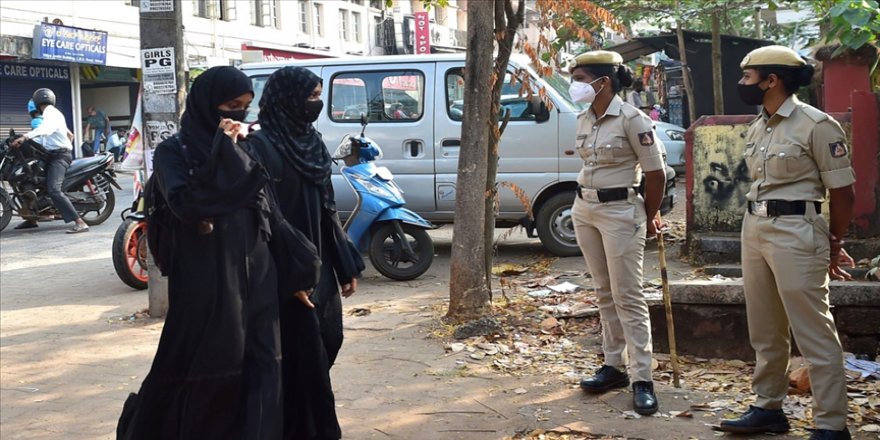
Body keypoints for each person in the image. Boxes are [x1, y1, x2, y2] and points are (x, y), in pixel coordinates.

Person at [116, 66, 283, 440]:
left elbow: (270, 210)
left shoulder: (249, 145)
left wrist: (300, 268)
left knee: (262, 367)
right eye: (231, 105)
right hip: (205, 278)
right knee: (207, 367)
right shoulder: (174, 152)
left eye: (245, 106)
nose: (239, 114)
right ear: (208, 104)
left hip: (257, 275)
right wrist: (223, 152)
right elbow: (188, 205)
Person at [718, 45, 856, 440]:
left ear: (772, 80)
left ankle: (831, 423)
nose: (742, 83)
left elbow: (843, 193)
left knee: (813, 330)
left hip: (797, 229)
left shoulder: (817, 125)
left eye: (747, 77)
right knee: (765, 327)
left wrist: (833, 241)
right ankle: (768, 407)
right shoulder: (759, 125)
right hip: (755, 226)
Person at [249, 66, 364, 440]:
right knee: (300, 358)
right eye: (311, 96)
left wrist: (344, 261)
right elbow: (264, 217)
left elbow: (327, 207)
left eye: (318, 95)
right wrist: (291, 272)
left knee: (329, 339)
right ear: (287, 99)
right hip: (283, 268)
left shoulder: (312, 142)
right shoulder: (259, 147)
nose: (317, 103)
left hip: (320, 261)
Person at [567, 51, 666, 416]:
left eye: (580, 78)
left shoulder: (632, 118)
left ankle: (643, 378)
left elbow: (656, 174)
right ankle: (613, 366)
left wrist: (648, 216)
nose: (574, 85)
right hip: (585, 208)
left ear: (602, 81)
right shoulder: (584, 118)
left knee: (628, 294)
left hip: (621, 211)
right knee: (603, 290)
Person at [11, 89, 90, 233]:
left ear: (37, 102)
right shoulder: (50, 114)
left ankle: (80, 222)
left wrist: (25, 137)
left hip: (59, 157)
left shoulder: (51, 113)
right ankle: (32, 219)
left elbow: (46, 130)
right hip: (51, 155)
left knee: (54, 189)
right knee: (29, 178)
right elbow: (69, 134)